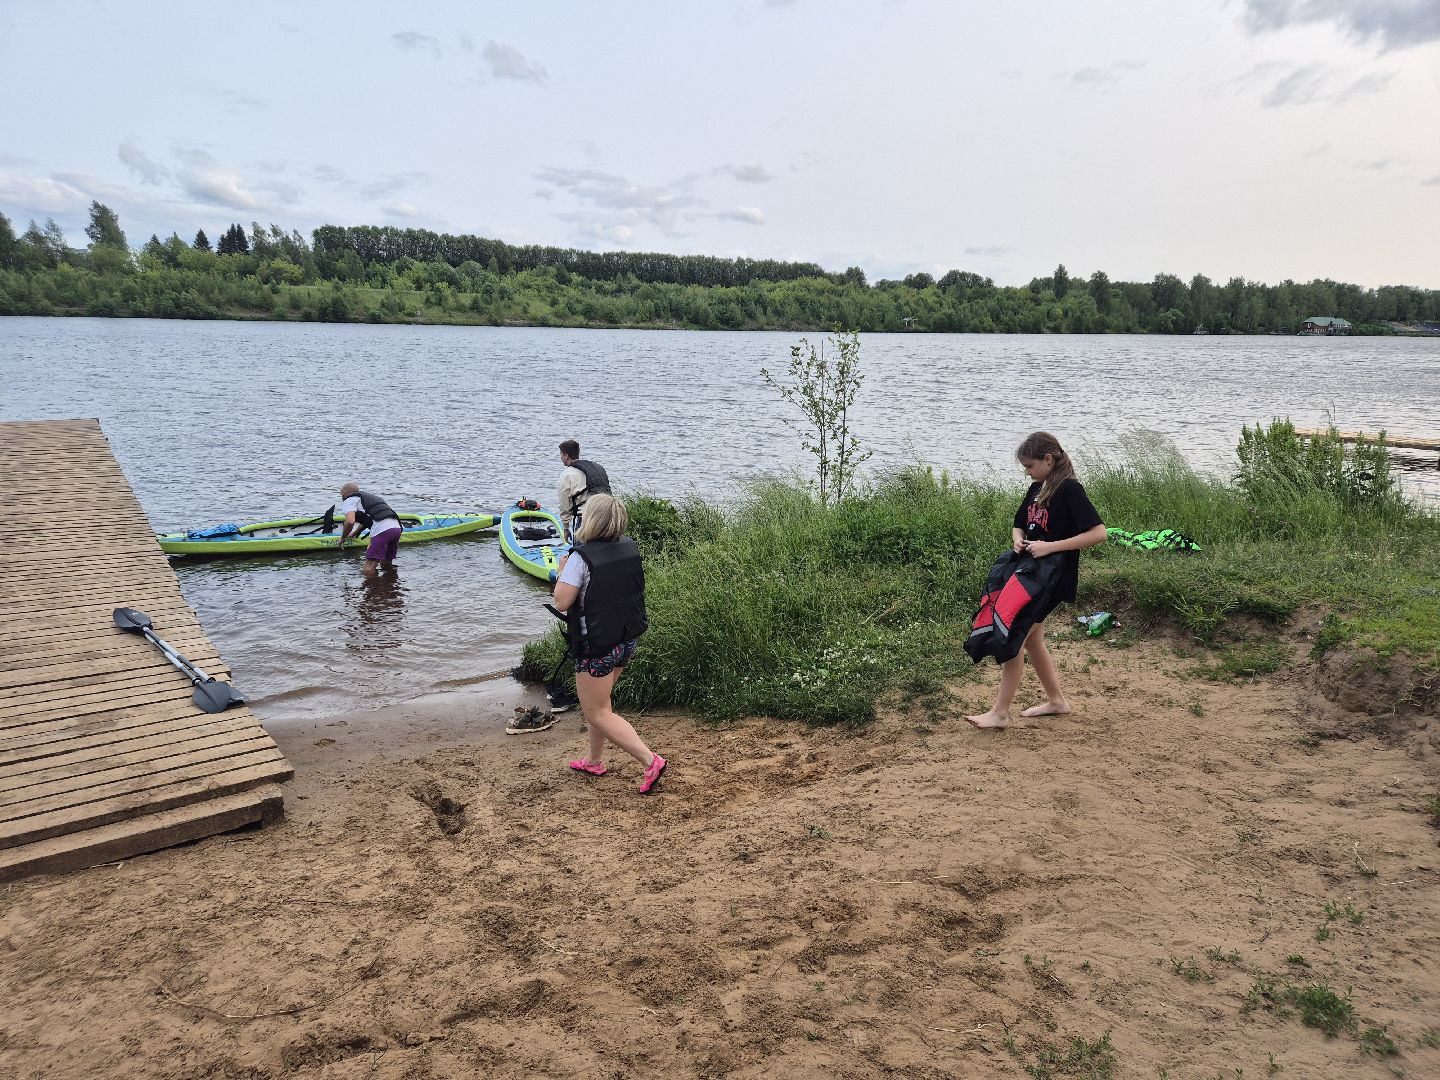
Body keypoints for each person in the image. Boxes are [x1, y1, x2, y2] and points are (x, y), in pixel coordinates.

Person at [966, 432, 1107, 730]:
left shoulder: (1070, 490)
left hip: (1052, 579)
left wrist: (1050, 546)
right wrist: (1018, 541)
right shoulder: (1036, 488)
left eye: (1029, 466)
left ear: (1048, 459)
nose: (1027, 472)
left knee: (1014, 636)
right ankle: (1057, 701)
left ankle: (1000, 713)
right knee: (1033, 640)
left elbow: (1099, 533)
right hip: (1029, 574)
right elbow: (1019, 525)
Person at [550, 494, 667, 794]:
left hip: (597, 648)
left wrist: (562, 571)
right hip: (625, 641)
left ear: (590, 520)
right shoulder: (629, 548)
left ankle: (650, 760)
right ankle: (594, 760)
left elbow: (562, 602)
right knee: (601, 705)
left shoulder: (579, 558)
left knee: (597, 711)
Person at [336, 482, 403, 577]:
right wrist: (355, 532)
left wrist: (343, 538)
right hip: (396, 528)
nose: (341, 497)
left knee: (368, 567)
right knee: (386, 563)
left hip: (382, 530)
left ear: (345, 493)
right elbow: (369, 518)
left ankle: (372, 590)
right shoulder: (368, 498)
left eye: (341, 494)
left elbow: (350, 521)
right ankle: (390, 587)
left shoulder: (349, 500)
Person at [557, 439, 612, 540]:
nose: (560, 458)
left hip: (584, 519)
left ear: (566, 456)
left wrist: (565, 528)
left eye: (561, 454)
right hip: (604, 516)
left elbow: (564, 505)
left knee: (581, 552)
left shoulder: (567, 474)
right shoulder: (597, 468)